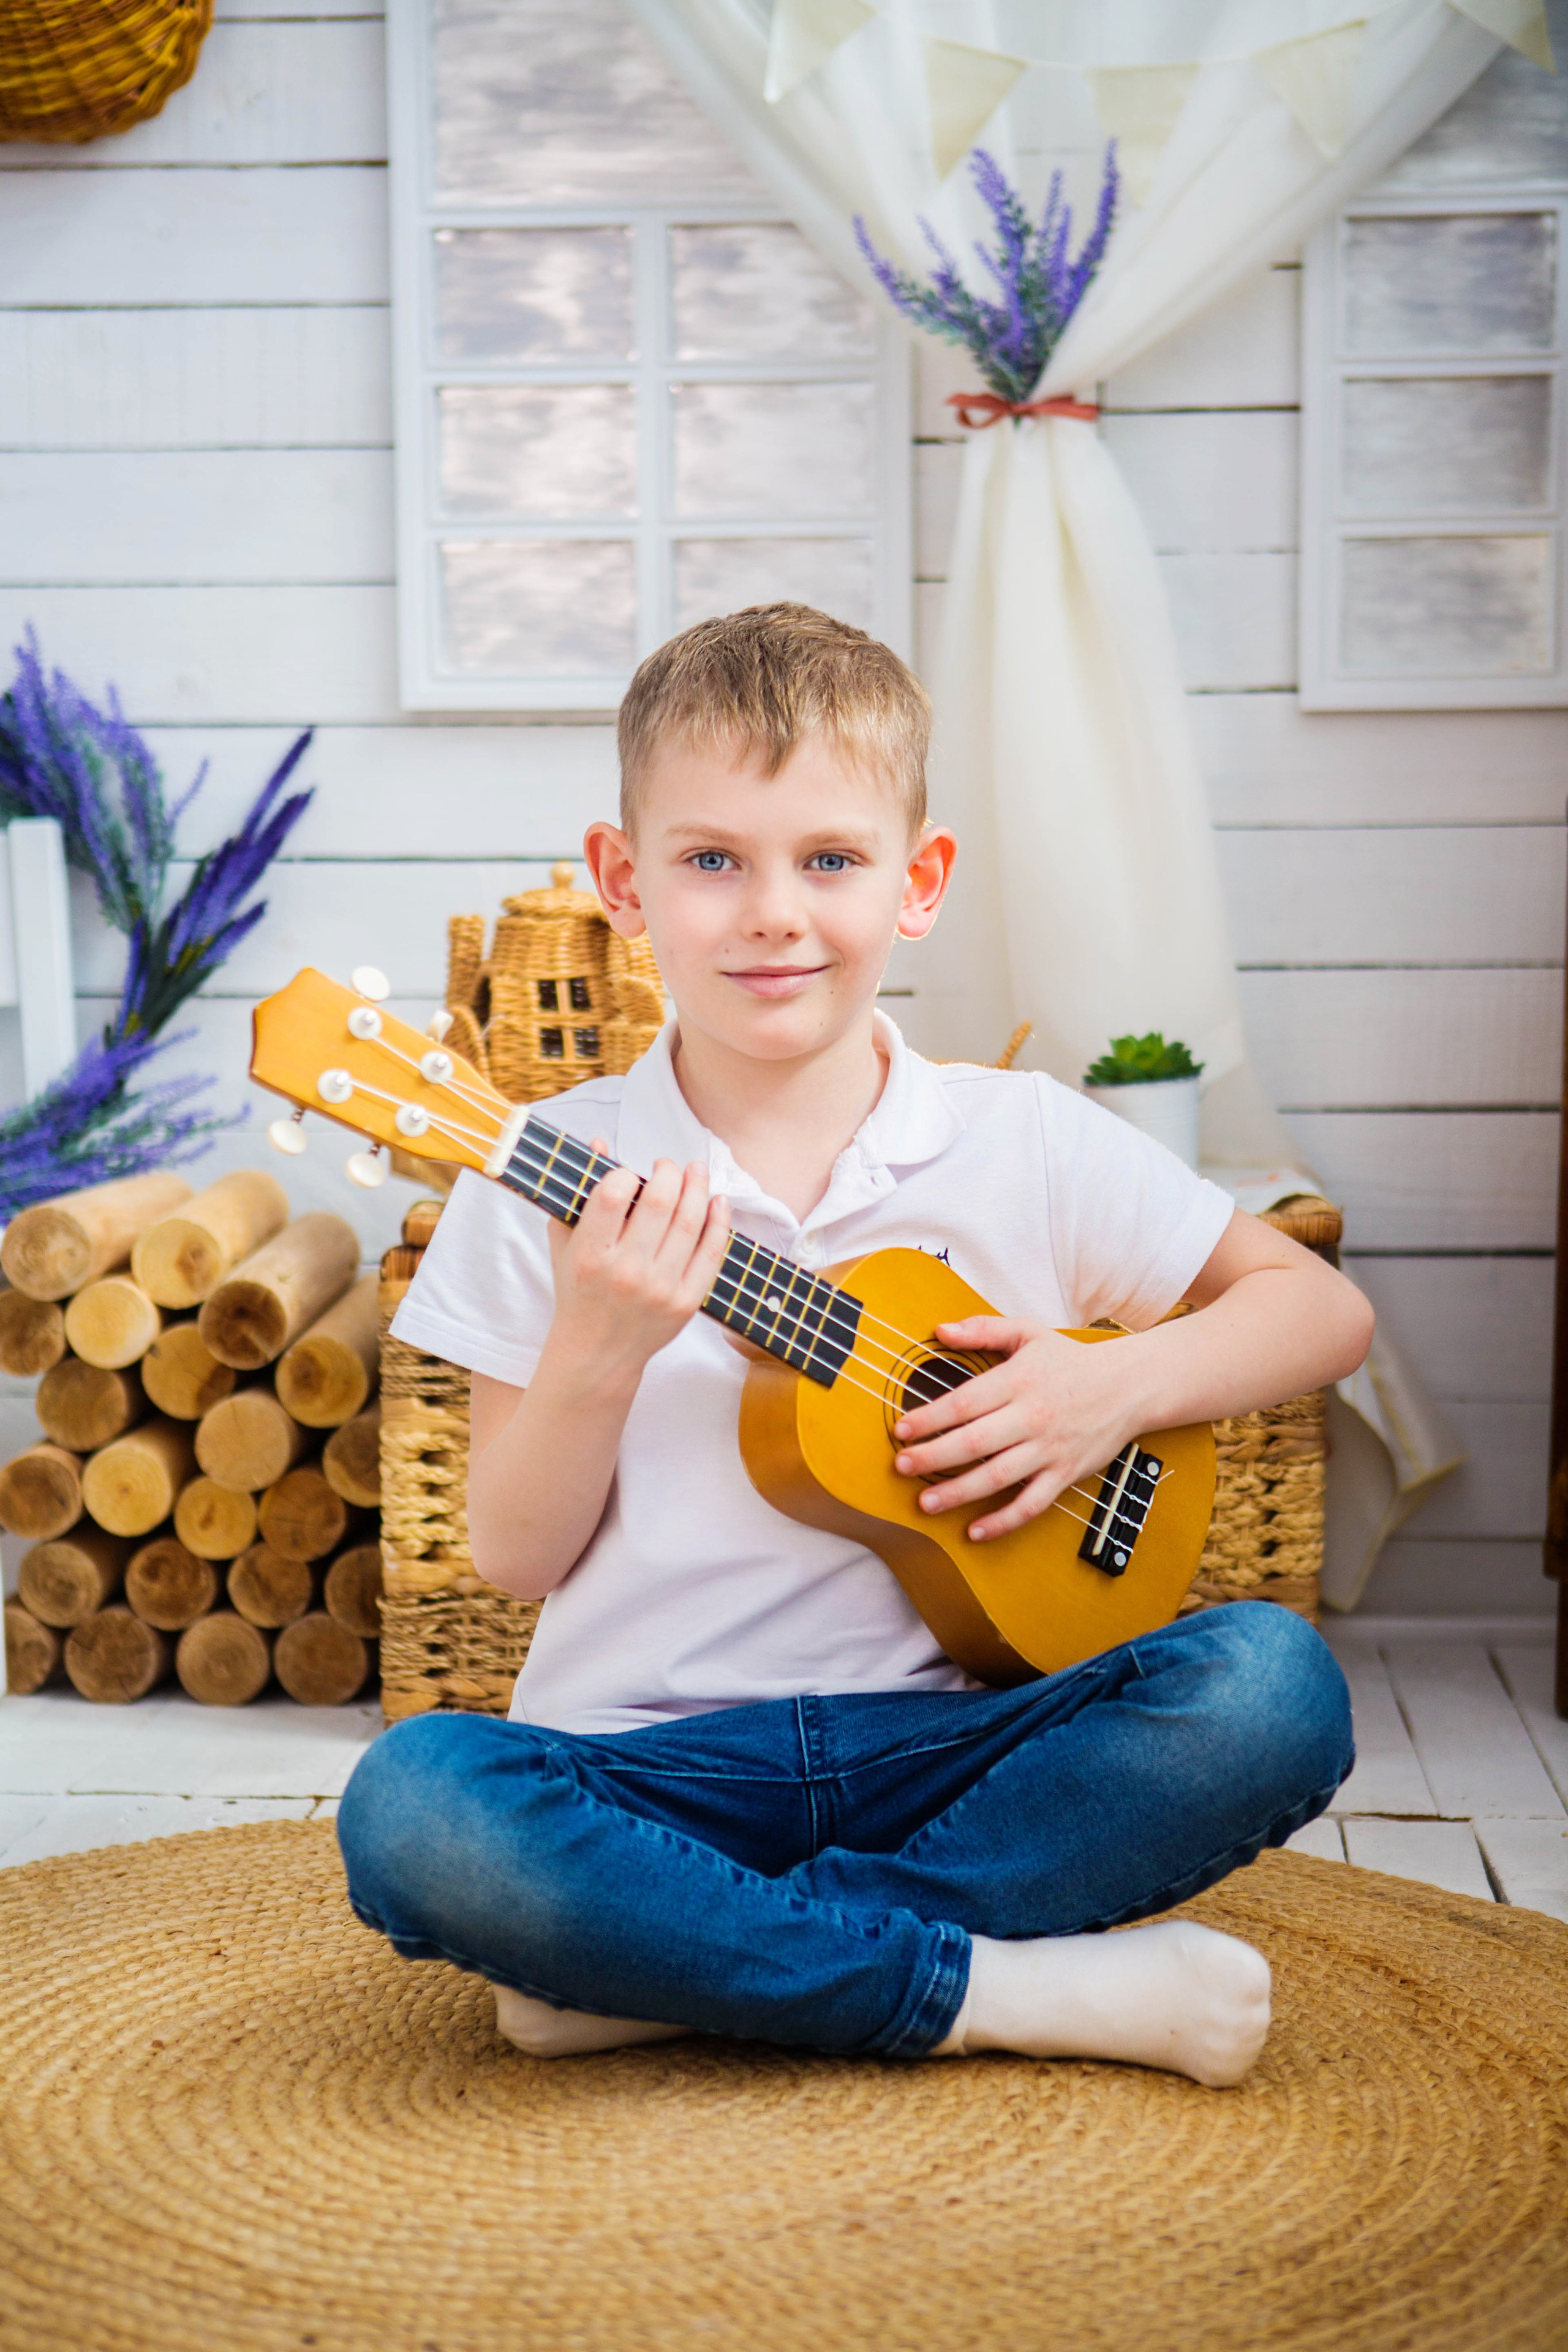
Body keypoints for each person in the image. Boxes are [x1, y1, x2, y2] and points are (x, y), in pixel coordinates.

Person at [338, 603, 1368, 2088]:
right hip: (645, 1767)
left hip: (956, 1748)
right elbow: (510, 1556)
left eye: (828, 859)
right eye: (711, 861)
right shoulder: (549, 1172)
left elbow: (1316, 1310)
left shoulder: (1019, 1139)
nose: (772, 912)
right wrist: (598, 1347)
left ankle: (672, 1963)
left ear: (917, 881)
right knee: (419, 1803)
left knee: (1269, 1686)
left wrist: (1107, 1385)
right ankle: (1005, 1988)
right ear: (621, 883)